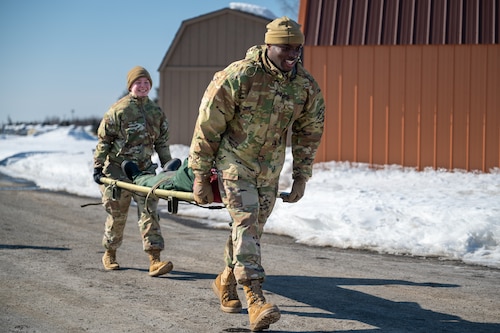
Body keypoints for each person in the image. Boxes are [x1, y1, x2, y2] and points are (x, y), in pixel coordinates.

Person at [188, 16, 325, 331]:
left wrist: (301, 176)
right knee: (247, 223)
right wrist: (199, 174)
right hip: (234, 162)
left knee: (249, 230)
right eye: (285, 47)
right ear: (268, 45)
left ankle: (225, 281)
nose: (292, 54)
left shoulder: (304, 85)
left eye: (297, 48)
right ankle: (256, 298)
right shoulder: (239, 76)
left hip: (269, 170)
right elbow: (207, 125)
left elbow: (310, 131)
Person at [93, 66, 174, 277]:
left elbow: (162, 142)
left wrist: (167, 165)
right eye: (138, 83)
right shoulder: (118, 110)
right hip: (117, 172)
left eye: (146, 83)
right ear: (131, 86)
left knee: (150, 212)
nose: (143, 86)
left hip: (144, 172)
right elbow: (104, 141)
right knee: (117, 215)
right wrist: (98, 167)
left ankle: (154, 259)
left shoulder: (156, 112)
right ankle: (110, 253)